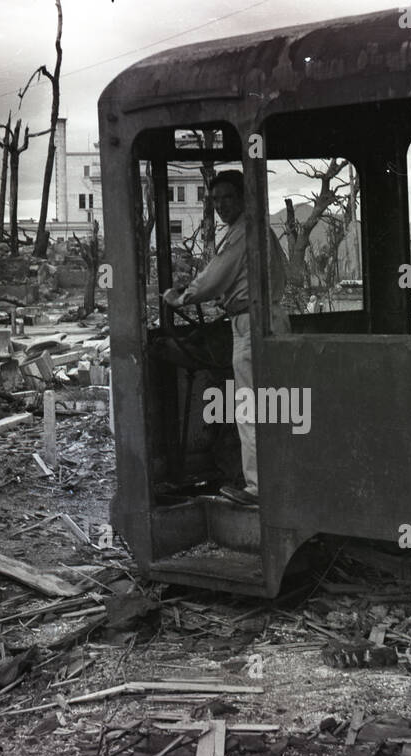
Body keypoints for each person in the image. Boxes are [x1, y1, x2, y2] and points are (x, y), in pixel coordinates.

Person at [163, 169, 288, 507]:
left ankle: (259, 489)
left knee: (250, 409)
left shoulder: (241, 232)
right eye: (215, 200)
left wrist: (181, 297)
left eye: (227, 198)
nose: (220, 206)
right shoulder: (262, 229)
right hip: (271, 317)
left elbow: (213, 278)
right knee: (276, 406)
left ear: (243, 198)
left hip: (251, 323)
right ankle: (280, 481)